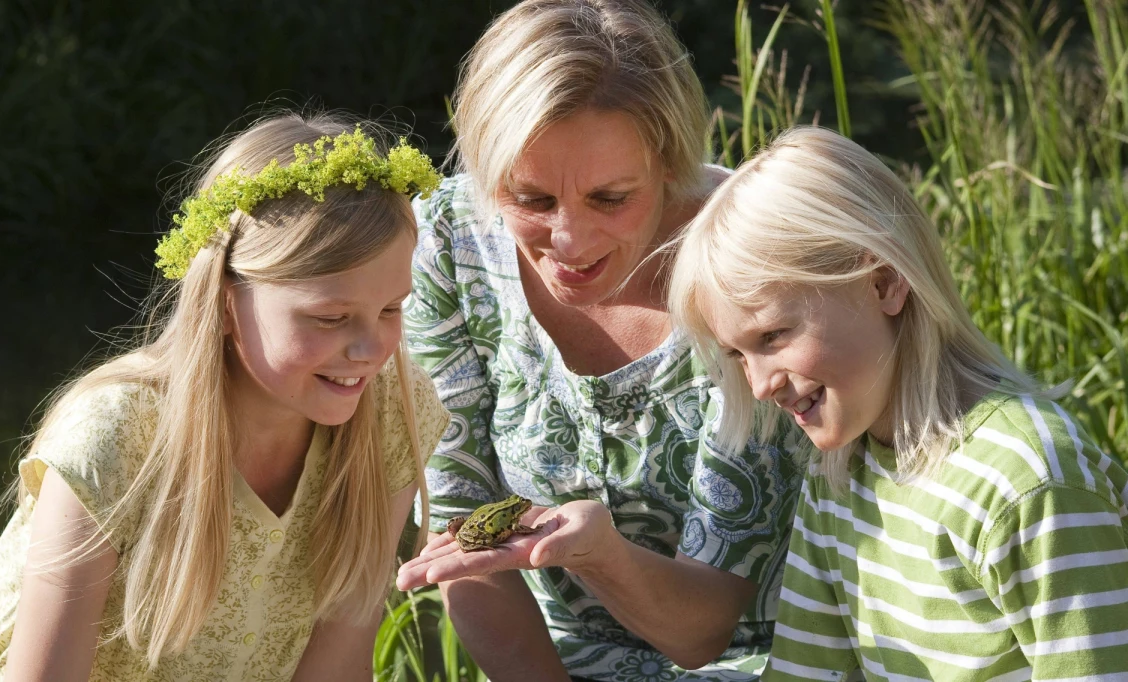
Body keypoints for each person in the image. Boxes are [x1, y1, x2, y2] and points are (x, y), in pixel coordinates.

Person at [0, 113, 449, 681]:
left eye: (391, 309)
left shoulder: (392, 410)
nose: (372, 348)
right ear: (225, 303)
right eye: (330, 317)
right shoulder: (118, 435)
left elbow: (338, 665)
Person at [394, 1, 802, 679]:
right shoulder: (447, 242)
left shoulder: (746, 257)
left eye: (610, 198)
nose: (570, 241)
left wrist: (601, 557)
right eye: (531, 199)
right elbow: (462, 538)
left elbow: (704, 631)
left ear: (669, 161)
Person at [668, 125, 1128, 680]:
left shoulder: (1027, 480)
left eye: (772, 336)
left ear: (884, 282)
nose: (761, 385)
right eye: (738, 354)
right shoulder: (840, 471)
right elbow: (808, 670)